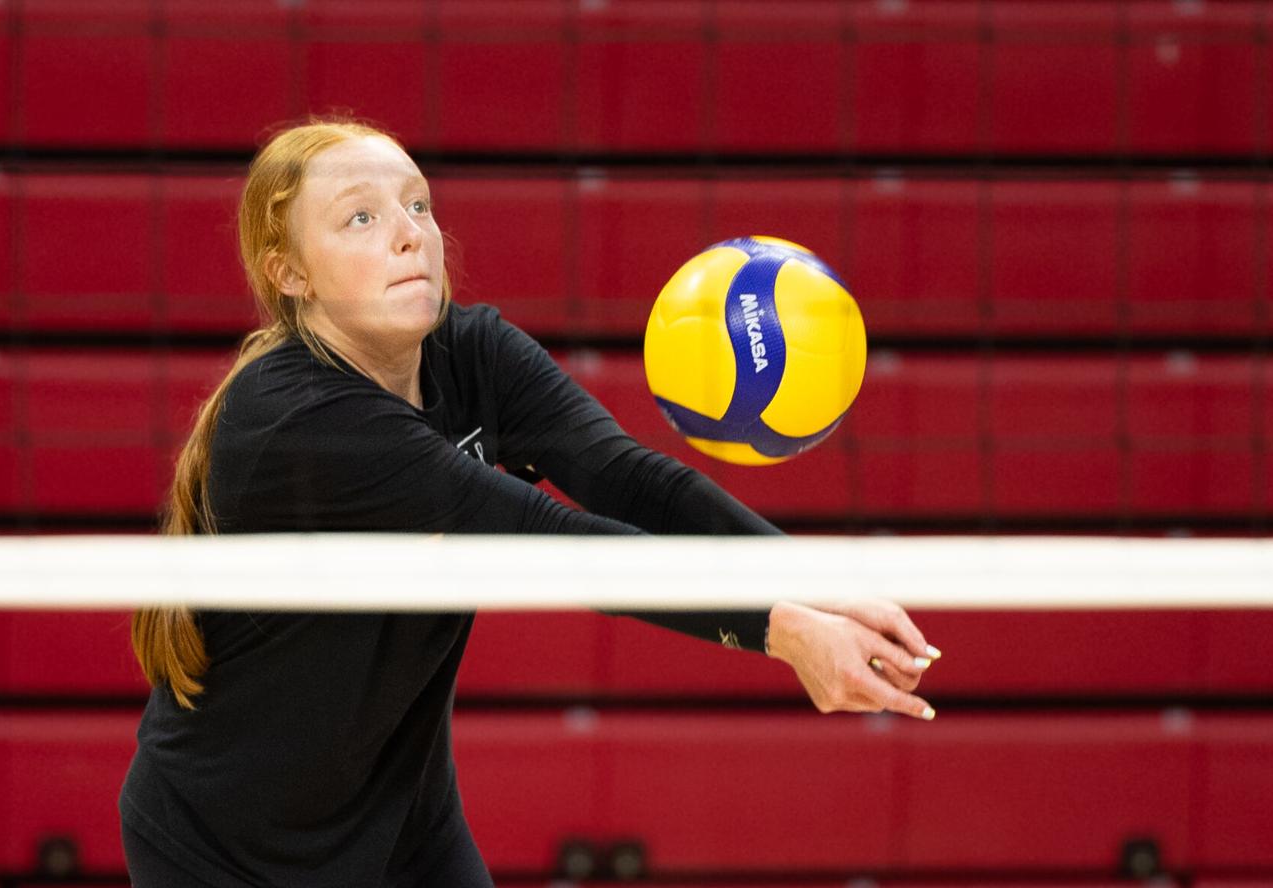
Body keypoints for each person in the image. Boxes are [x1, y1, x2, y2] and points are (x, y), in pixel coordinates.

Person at [120, 119, 940, 888]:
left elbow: (626, 477)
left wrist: (815, 586)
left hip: (401, 818)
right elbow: (543, 537)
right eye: (360, 219)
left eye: (416, 205)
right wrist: (781, 628)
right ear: (289, 273)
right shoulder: (295, 415)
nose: (410, 232)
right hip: (228, 846)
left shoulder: (472, 351)